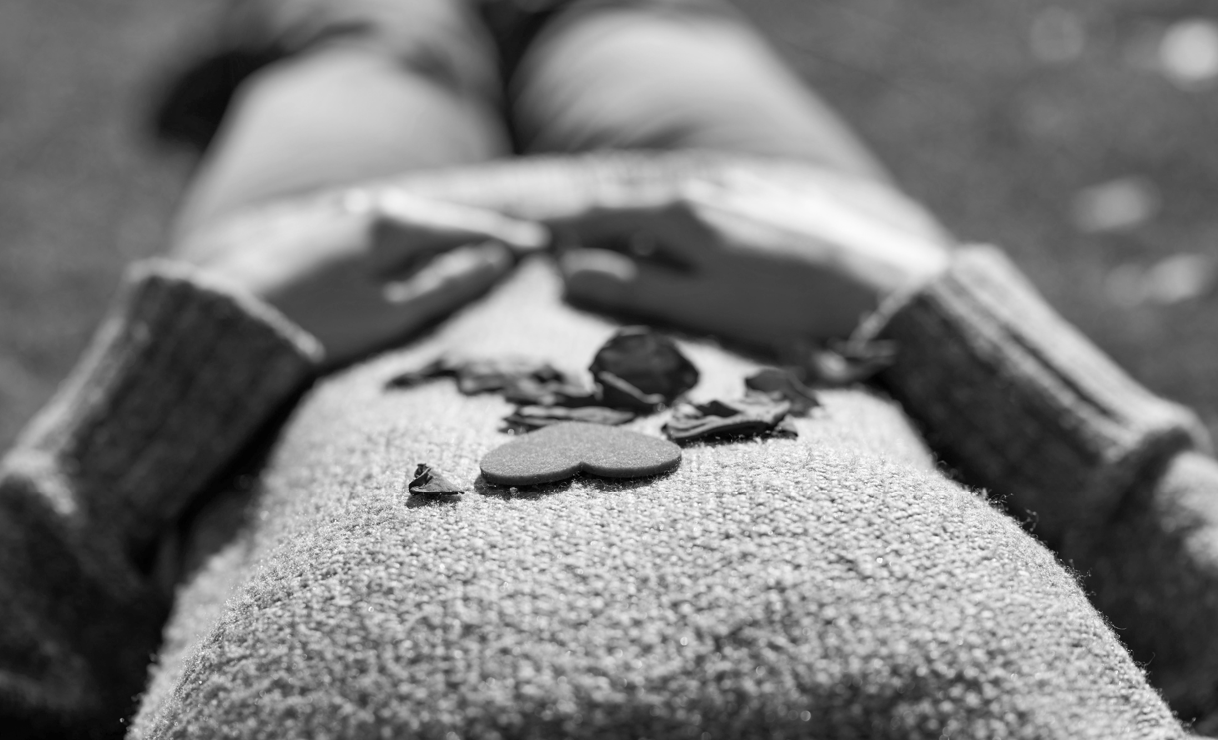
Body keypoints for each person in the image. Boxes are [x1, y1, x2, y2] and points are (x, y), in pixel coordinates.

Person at [4, 0, 1218, 737]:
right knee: (646, 27)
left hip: (315, 285)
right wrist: (922, 309)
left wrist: (193, 350)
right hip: (775, 241)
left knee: (376, 43)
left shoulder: (239, 320)